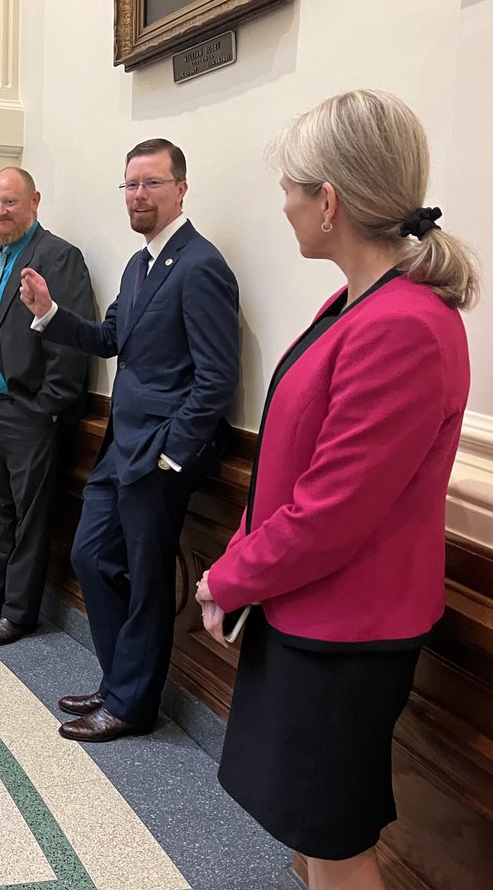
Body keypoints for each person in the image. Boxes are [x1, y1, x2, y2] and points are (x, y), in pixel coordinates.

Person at [197, 90, 477, 890]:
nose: (283, 204)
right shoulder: (356, 304)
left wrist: (228, 577)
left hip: (346, 632)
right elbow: (289, 465)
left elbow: (331, 512)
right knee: (309, 834)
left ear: (329, 202)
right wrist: (240, 563)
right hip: (308, 611)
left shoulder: (402, 324)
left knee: (335, 842)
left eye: (290, 187)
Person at [18, 139, 240, 742]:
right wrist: (49, 313)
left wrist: (173, 453)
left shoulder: (201, 265)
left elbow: (217, 377)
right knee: (91, 556)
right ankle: (120, 680)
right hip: (122, 447)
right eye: (131, 184)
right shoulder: (139, 265)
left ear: (180, 190)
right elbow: (110, 337)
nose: (138, 195)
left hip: (159, 455)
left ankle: (131, 705)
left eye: (152, 183)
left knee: (146, 581)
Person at [0, 166, 95, 646]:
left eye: (9, 202)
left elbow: (70, 338)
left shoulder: (59, 256)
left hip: (26, 411)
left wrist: (49, 406)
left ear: (34, 201)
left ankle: (18, 611)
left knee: (30, 517)